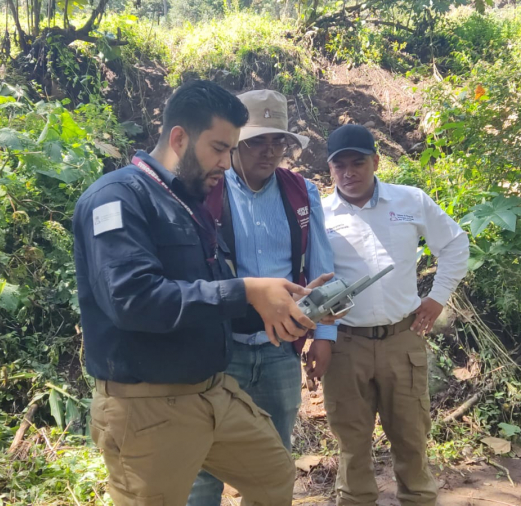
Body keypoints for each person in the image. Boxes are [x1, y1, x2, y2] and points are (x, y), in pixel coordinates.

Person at [73, 80, 317, 506]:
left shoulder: (188, 202)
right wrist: (245, 289)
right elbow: (133, 301)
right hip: (149, 406)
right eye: (219, 148)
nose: (226, 163)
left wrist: (283, 306)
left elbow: (207, 301)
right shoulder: (117, 198)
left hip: (212, 392)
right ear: (179, 137)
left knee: (275, 474)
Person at [188, 89, 339, 506]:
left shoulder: (301, 193)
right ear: (236, 141)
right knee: (204, 461)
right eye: (258, 141)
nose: (270, 152)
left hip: (280, 350)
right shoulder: (206, 190)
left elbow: (321, 266)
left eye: (279, 141)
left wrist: (325, 334)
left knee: (273, 460)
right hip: (221, 348)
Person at [320, 124, 469, 506]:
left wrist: (437, 298)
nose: (349, 173)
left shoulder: (410, 201)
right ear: (330, 169)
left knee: (411, 440)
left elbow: (455, 244)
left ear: (376, 161)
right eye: (340, 166)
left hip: (403, 341)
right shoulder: (319, 215)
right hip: (345, 345)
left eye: (358, 163)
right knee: (351, 446)